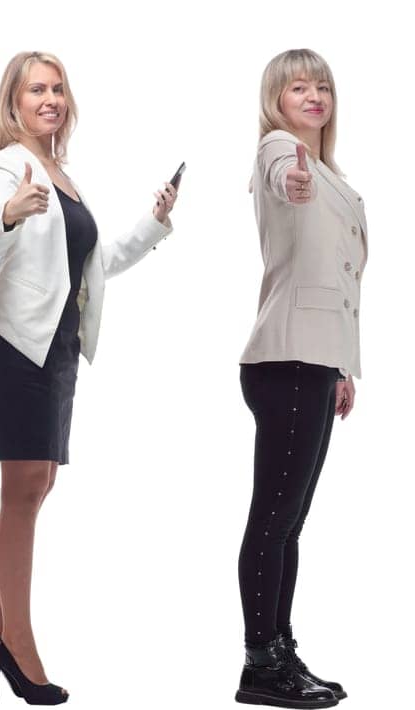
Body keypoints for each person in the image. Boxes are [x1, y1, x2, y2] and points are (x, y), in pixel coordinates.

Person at [0, 51, 177, 706]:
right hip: (15, 346)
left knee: (38, 484)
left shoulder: (65, 176)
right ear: (14, 102)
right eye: (37, 89)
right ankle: (19, 649)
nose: (50, 98)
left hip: (58, 347)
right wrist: (9, 214)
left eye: (58, 88)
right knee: (22, 492)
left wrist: (155, 222)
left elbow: (92, 264)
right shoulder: (4, 166)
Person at [231, 48, 363, 710]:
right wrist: (295, 181)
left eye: (322, 87)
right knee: (274, 519)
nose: (313, 96)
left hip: (314, 361)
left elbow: (338, 281)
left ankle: (280, 650)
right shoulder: (280, 150)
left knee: (290, 523)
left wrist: (344, 367)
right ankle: (261, 664)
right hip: (285, 360)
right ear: (276, 100)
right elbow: (286, 178)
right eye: (298, 87)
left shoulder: (332, 172)